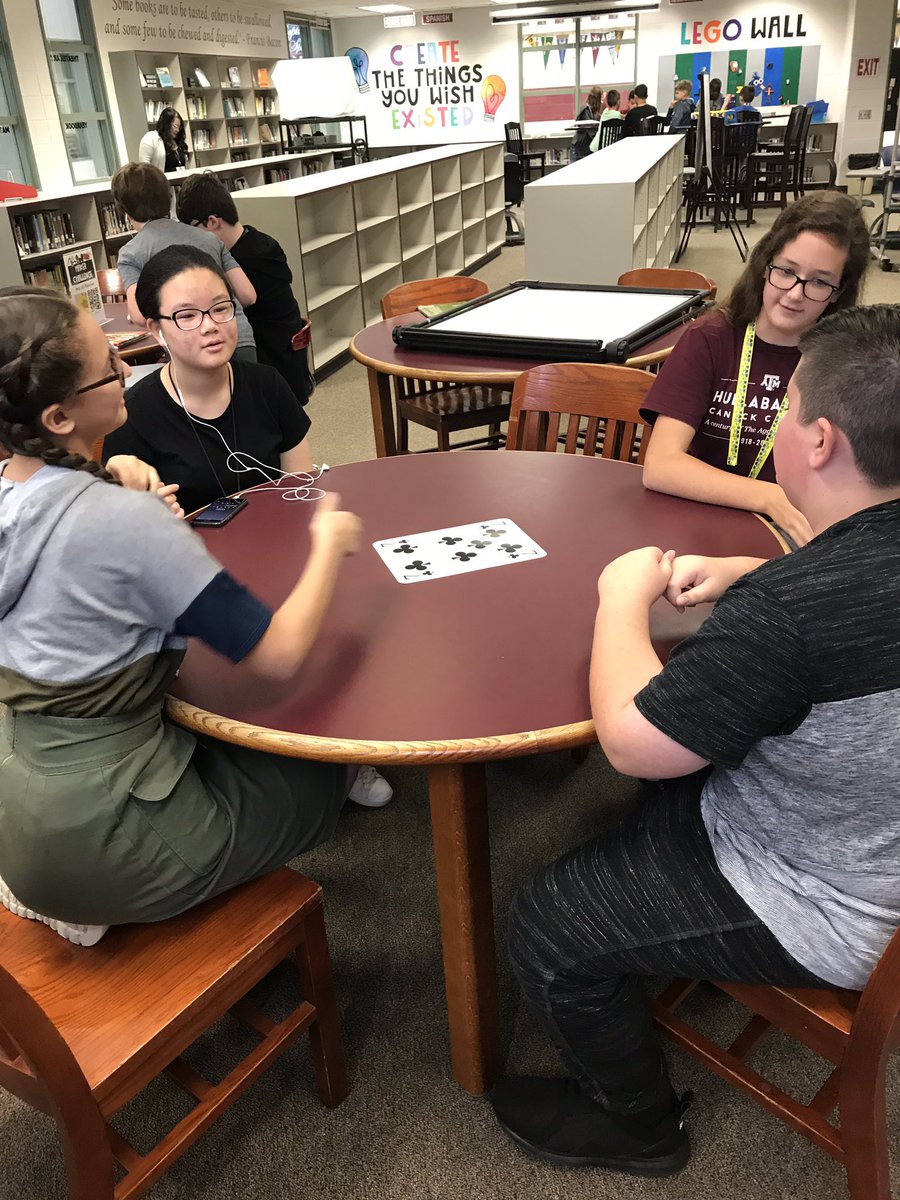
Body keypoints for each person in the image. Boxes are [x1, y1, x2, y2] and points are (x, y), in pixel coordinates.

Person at [491, 302, 900, 1178]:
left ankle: (637, 1124)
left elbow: (633, 742)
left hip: (836, 899)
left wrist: (619, 598)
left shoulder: (794, 614)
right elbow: (846, 610)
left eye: (788, 409)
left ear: (818, 441)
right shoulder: (826, 578)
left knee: (545, 924)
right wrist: (757, 576)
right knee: (671, 786)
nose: (780, 424)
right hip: (874, 832)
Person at [0, 286, 393, 950]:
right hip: (107, 828)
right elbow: (280, 653)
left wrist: (106, 472)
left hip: (19, 799)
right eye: (109, 367)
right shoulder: (128, 525)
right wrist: (328, 543)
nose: (129, 370)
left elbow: (62, 526)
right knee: (322, 766)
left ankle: (66, 882)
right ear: (60, 416)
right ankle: (108, 896)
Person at [640, 192, 870, 547]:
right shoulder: (711, 338)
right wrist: (767, 497)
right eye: (787, 272)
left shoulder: (844, 362)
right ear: (766, 266)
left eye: (820, 282)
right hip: (701, 519)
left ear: (839, 292)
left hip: (792, 540)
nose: (795, 294)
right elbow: (661, 465)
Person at [174, 172, 314, 404]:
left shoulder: (239, 265)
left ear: (212, 222)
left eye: (193, 228)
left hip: (270, 369)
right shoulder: (261, 240)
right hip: (290, 364)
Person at [111, 162, 258, 360]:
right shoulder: (208, 238)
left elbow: (138, 315)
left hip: (192, 351)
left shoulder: (131, 253)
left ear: (123, 210)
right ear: (170, 197)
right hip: (238, 340)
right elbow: (248, 295)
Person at [138, 107, 189, 173]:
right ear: (166, 124)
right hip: (162, 182)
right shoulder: (150, 138)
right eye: (175, 126)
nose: (178, 130)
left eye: (179, 127)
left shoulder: (178, 142)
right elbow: (144, 168)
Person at [571, 87, 603, 161]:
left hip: (584, 148)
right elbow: (590, 130)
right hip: (581, 150)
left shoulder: (590, 110)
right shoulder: (586, 111)